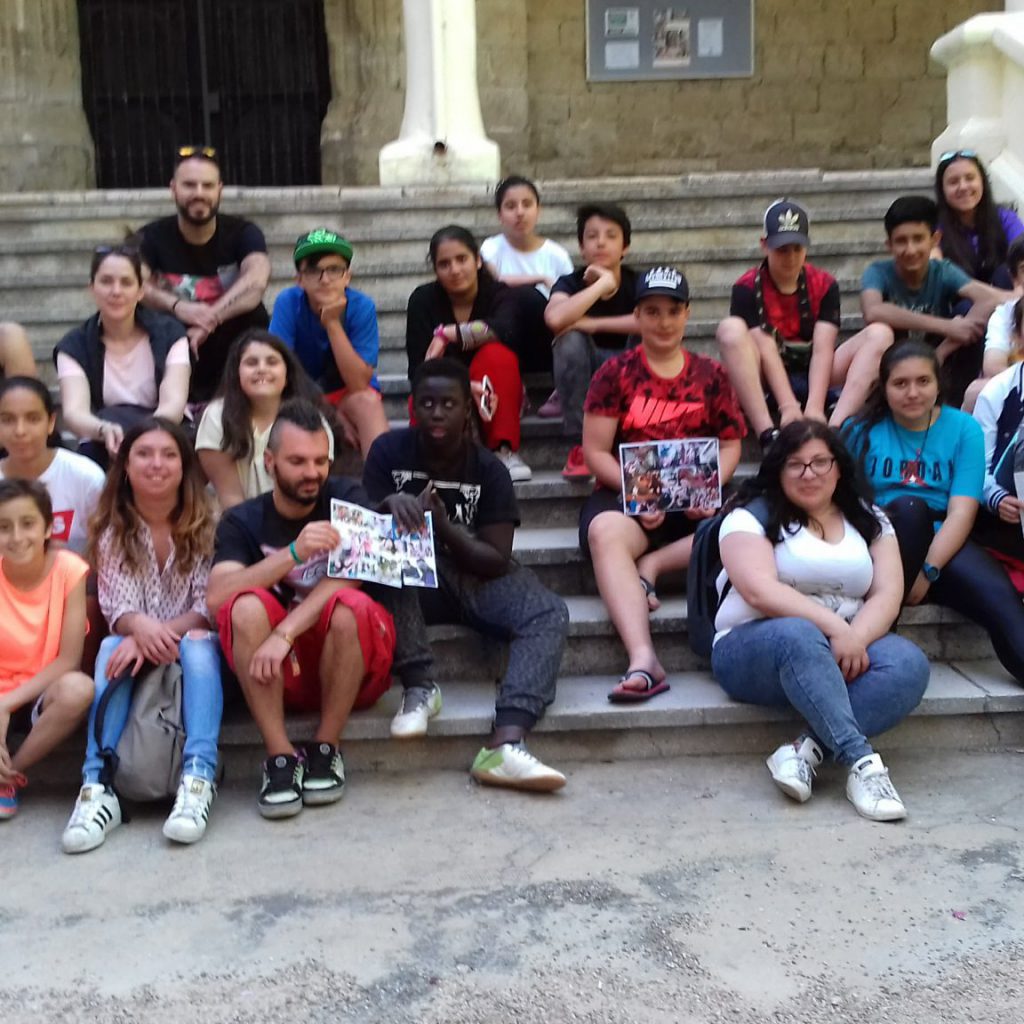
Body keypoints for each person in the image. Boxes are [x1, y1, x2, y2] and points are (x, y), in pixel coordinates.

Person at [363, 357, 569, 791]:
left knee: (547, 611)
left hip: (474, 576)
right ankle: (419, 687)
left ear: (467, 409)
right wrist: (384, 505)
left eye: (449, 404)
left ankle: (506, 741)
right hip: (410, 589)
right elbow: (359, 536)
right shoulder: (387, 453)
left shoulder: (489, 470)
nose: (437, 413)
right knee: (392, 559)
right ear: (413, 407)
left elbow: (495, 559)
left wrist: (445, 528)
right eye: (427, 403)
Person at [712, 421, 929, 822]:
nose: (808, 473)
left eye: (819, 462)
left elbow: (888, 593)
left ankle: (804, 751)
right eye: (795, 464)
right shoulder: (747, 517)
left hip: (841, 647)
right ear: (778, 470)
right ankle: (862, 764)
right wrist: (836, 629)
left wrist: (855, 637)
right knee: (799, 633)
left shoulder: (869, 518)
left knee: (908, 662)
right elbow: (760, 591)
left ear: (839, 467)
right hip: (754, 648)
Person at [207, 399, 398, 819]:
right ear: (270, 462)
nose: (311, 472)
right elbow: (217, 597)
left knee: (351, 604)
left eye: (319, 461)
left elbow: (356, 572)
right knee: (244, 607)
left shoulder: (347, 497)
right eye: (297, 461)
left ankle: (325, 746)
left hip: (347, 659)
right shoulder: (242, 520)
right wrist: (293, 553)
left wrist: (285, 633)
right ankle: (280, 756)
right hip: (273, 671)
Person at [580, 266, 745, 701]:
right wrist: (638, 492)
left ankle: (653, 566)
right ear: (637, 315)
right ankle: (643, 658)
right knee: (603, 531)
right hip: (630, 498)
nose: (664, 321)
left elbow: (731, 445)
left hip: (696, 501)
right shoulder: (614, 373)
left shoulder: (712, 374)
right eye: (652, 311)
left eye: (673, 311)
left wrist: (710, 487)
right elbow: (595, 452)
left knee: (746, 520)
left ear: (687, 313)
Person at [61, 419, 222, 853]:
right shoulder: (113, 527)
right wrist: (138, 630)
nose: (156, 464)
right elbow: (118, 607)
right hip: (136, 653)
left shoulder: (210, 522)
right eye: (144, 454)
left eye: (169, 455)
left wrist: (151, 632)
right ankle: (97, 785)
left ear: (184, 466)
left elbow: (206, 608)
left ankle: (198, 777)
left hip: (197, 655)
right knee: (111, 646)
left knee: (198, 644)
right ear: (127, 466)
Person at [844, 339, 1024, 684]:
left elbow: (962, 512)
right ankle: (871, 650)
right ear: (884, 387)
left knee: (1002, 602)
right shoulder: (859, 430)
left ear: (939, 383)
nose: (912, 392)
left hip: (942, 545)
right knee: (910, 509)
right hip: (881, 544)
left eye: (923, 381)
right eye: (900, 383)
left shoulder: (964, 429)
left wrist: (927, 571)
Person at [829, 196, 1009, 423]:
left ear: (935, 239)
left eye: (918, 239)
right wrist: (947, 327)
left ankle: (955, 409)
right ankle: (841, 422)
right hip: (885, 366)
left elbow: (989, 299)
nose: (910, 249)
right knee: (880, 331)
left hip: (931, 365)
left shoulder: (942, 271)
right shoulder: (878, 272)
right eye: (901, 241)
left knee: (970, 314)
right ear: (889, 245)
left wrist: (944, 349)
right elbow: (873, 311)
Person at [138, 145, 271, 403]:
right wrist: (179, 307)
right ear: (173, 188)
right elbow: (135, 285)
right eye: (189, 185)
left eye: (207, 186)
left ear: (219, 189)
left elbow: (256, 282)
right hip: (176, 347)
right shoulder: (151, 237)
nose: (199, 193)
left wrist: (210, 318)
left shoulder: (243, 233)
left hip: (232, 346)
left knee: (253, 317)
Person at [406, 225, 531, 482]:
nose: (454, 270)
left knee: (497, 355)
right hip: (449, 395)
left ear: (477, 261)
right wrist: (462, 387)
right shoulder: (422, 300)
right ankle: (435, 458)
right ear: (435, 270)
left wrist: (448, 334)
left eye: (462, 259)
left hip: (495, 394)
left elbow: (504, 330)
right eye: (444, 264)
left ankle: (503, 450)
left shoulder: (500, 293)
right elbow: (419, 368)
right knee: (424, 388)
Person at [0, 480, 92, 820]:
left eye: (27, 523)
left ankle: (9, 776)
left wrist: (5, 703)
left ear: (48, 528)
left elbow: (69, 660)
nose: (16, 537)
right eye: (3, 527)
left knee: (79, 688)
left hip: (42, 689)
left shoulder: (68, 569)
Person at [717, 199, 841, 447]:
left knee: (879, 335)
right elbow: (764, 346)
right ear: (764, 245)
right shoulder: (745, 287)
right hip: (765, 374)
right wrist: (788, 407)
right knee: (730, 329)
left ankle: (838, 426)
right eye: (782, 249)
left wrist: (815, 408)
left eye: (797, 248)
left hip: (815, 372)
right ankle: (767, 434)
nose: (791, 257)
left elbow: (823, 348)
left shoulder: (825, 283)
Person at [54, 244, 190, 466]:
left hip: (163, 429)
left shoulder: (171, 334)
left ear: (140, 291)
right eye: (106, 281)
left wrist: (142, 436)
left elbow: (173, 402)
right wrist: (104, 430)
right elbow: (74, 412)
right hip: (106, 435)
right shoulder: (73, 346)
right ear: (92, 288)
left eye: (126, 282)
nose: (116, 291)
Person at [269, 229, 389, 457]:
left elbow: (358, 383)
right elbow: (277, 369)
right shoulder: (288, 302)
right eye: (314, 270)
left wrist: (332, 323)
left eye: (334, 270)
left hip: (347, 393)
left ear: (347, 277)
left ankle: (382, 476)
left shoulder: (362, 306)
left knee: (368, 402)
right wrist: (329, 412)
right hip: (299, 393)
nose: (325, 279)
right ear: (299, 279)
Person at [544, 203, 640, 478]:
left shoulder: (640, 281)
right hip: (585, 367)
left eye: (611, 235)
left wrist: (593, 324)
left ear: (625, 247)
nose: (601, 242)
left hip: (628, 362)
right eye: (592, 236)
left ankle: (638, 434)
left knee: (649, 336)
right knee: (568, 339)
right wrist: (602, 285)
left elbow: (652, 322)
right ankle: (581, 445)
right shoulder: (569, 283)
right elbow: (555, 319)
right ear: (581, 247)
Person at [196, 329, 335, 510]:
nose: (262, 369)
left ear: (287, 375)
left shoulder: (311, 419)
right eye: (251, 363)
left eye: (272, 362)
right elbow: (230, 497)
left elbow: (315, 485)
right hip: (235, 519)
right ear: (237, 374)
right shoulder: (217, 416)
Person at [480, 175, 573, 380]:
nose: (520, 212)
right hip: (504, 336)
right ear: (500, 215)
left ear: (538, 210)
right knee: (520, 296)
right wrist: (541, 278)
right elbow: (495, 282)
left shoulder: (557, 255)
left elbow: (570, 305)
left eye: (527, 204)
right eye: (510, 206)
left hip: (545, 339)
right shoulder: (490, 248)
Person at [0, 376, 105, 555]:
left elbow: (104, 548)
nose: (20, 431)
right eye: (8, 420)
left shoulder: (86, 477)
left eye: (33, 419)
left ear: (50, 423)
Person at [971, 301, 1024, 561]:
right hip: (1008, 520)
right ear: (1017, 337)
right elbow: (977, 467)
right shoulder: (997, 391)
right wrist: (997, 498)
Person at [934, 149, 1024, 289]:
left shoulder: (1004, 218)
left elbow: (1020, 252)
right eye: (953, 182)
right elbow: (935, 270)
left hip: (1008, 295)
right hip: (961, 296)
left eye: (970, 178)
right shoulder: (935, 227)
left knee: (1004, 273)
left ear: (982, 181)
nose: (963, 187)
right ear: (942, 189)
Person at [962, 235, 1024, 412]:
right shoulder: (1005, 314)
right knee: (976, 392)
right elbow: (993, 366)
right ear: (1014, 278)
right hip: (1018, 390)